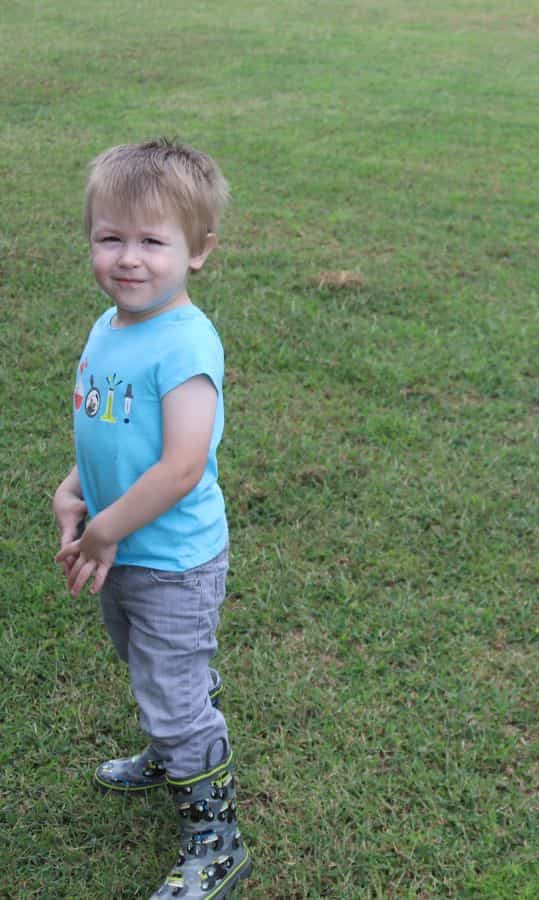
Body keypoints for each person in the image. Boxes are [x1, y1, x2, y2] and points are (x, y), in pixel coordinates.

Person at [52, 139, 251, 895]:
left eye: (151, 242)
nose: (128, 259)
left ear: (198, 251)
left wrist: (106, 528)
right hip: (122, 550)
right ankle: (173, 739)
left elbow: (179, 466)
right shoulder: (111, 326)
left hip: (171, 560)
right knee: (149, 671)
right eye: (111, 238)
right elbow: (108, 428)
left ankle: (218, 839)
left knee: (170, 691)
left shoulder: (187, 342)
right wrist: (76, 488)